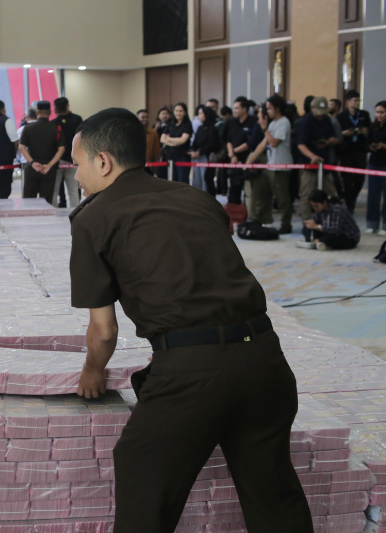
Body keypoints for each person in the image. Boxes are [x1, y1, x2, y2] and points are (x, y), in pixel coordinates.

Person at [69, 107, 313, 533]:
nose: (77, 176)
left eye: (78, 164)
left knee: (141, 477)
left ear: (103, 161)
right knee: (273, 496)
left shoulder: (94, 217)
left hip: (192, 373)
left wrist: (92, 371)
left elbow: (104, 331)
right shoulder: (197, 198)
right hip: (266, 361)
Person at [295, 96, 340, 220]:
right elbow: (301, 144)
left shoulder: (327, 120)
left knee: (330, 193)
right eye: (318, 112)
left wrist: (328, 142)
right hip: (308, 164)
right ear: (312, 108)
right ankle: (307, 222)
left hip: (324, 163)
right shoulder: (305, 122)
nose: (320, 115)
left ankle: (333, 219)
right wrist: (312, 156)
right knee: (306, 194)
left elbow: (333, 137)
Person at [19, 100, 65, 204]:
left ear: (37, 112)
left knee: (29, 201)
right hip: (49, 170)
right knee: (46, 202)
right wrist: (49, 165)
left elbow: (21, 147)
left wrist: (32, 162)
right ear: (50, 113)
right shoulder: (57, 129)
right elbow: (61, 149)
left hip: (32, 169)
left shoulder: (27, 128)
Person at [262, 94, 294, 233]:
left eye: (269, 108)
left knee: (283, 197)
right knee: (272, 195)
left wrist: (265, 129)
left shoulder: (284, 122)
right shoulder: (272, 123)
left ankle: (286, 224)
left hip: (282, 165)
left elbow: (274, 142)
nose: (267, 112)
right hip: (272, 163)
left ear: (277, 108)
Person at [337, 90, 372, 213]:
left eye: (358, 100)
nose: (357, 103)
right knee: (348, 179)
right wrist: (344, 133)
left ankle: (352, 199)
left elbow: (369, 129)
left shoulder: (364, 115)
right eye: (355, 100)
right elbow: (337, 133)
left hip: (360, 149)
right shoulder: (341, 117)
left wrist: (365, 131)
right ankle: (350, 205)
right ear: (348, 102)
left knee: (359, 179)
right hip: (346, 150)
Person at [366, 100, 386, 235]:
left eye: (382, 112)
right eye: (377, 112)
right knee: (373, 196)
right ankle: (372, 224)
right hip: (374, 163)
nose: (379, 115)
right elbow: (366, 142)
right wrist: (371, 146)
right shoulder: (373, 126)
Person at [242, 106, 274, 225]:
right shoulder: (259, 126)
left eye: (260, 113)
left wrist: (249, 161)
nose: (257, 116)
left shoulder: (266, 128)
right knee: (257, 192)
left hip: (261, 160)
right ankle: (257, 216)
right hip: (258, 159)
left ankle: (256, 217)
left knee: (257, 193)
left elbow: (259, 145)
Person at [223, 97, 258, 201]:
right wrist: (232, 154)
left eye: (237, 108)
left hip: (249, 158)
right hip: (234, 159)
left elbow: (251, 143)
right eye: (234, 108)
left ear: (245, 109)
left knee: (249, 189)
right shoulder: (231, 122)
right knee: (234, 187)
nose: (234, 110)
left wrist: (234, 151)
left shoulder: (253, 122)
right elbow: (228, 140)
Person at [52, 97, 83, 208]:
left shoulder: (53, 123)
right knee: (74, 191)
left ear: (55, 109)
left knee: (55, 190)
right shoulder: (77, 120)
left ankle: (54, 212)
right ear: (67, 106)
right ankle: (76, 212)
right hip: (73, 160)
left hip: (57, 160)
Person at [189, 104, 220, 195]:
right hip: (197, 157)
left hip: (207, 157)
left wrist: (200, 152)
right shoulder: (200, 127)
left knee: (206, 180)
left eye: (201, 113)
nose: (199, 116)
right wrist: (193, 150)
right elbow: (195, 142)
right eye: (198, 113)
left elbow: (212, 144)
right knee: (197, 180)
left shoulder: (212, 128)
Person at [160, 102, 193, 184]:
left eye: (181, 111)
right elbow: (162, 139)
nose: (178, 113)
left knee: (182, 181)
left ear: (185, 112)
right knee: (172, 181)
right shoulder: (170, 124)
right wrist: (174, 143)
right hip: (170, 156)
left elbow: (182, 140)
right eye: (176, 111)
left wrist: (169, 139)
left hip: (182, 157)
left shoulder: (187, 125)